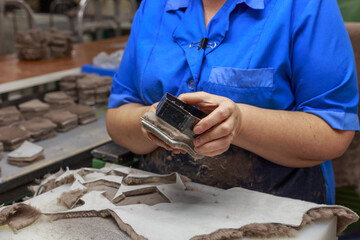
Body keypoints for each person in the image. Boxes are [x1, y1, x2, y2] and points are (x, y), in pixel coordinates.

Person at [106, 0, 359, 205]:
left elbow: (333, 131)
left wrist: (240, 124)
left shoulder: (304, 6)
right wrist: (152, 121)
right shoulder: (154, 7)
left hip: (277, 207)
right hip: (165, 207)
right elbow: (118, 115)